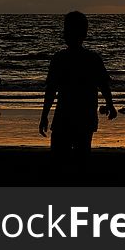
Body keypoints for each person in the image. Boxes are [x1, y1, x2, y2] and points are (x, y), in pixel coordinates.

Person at [39, 11, 116, 160]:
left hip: (65, 116)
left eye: (66, 30)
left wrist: (44, 115)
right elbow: (104, 85)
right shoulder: (92, 58)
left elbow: (51, 90)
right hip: (84, 116)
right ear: (85, 34)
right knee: (82, 154)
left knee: (61, 155)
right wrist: (110, 105)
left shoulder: (60, 58)